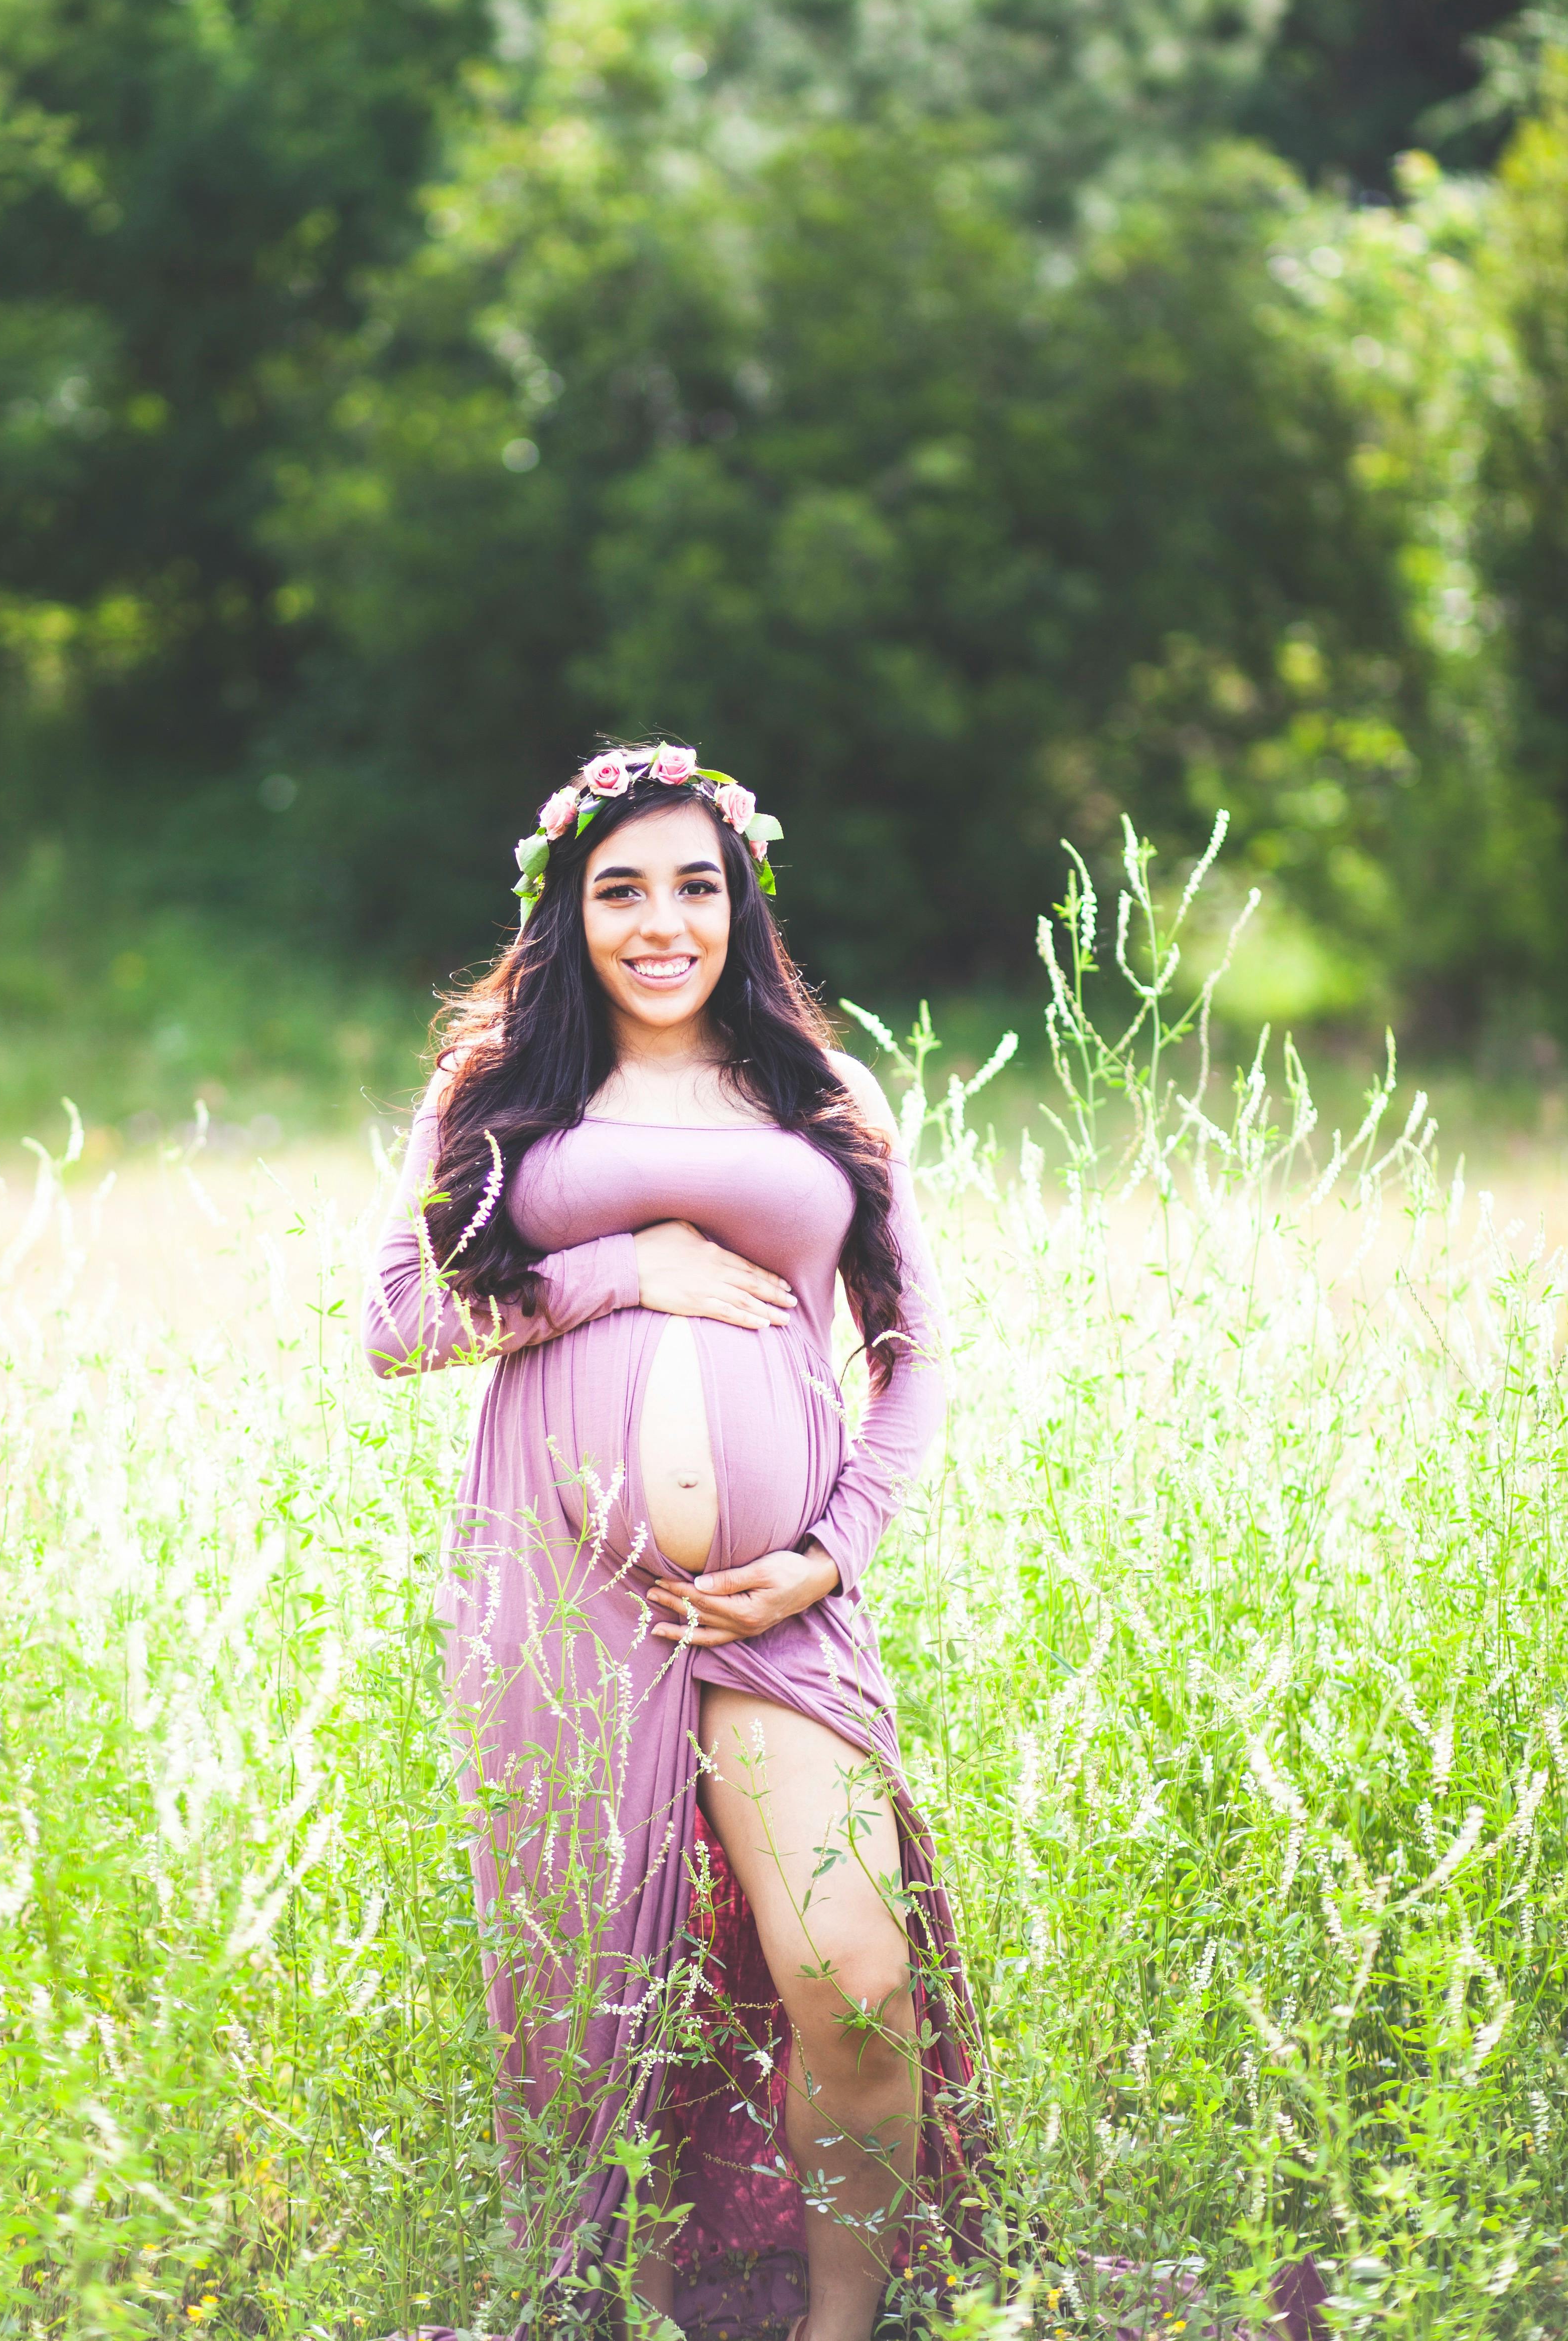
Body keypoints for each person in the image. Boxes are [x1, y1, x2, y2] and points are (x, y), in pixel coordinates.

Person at [364, 740, 987, 2341]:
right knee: (584, 2025)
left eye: (695, 887)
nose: (662, 922)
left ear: (741, 905)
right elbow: (394, 1323)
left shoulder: (819, 1096)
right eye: (620, 890)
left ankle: (840, 2331)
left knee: (854, 1980)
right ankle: (630, 2318)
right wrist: (615, 1270)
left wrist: (833, 1552)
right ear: (568, 913)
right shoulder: (507, 1092)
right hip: (562, 1605)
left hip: (773, 1612)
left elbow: (920, 1353)